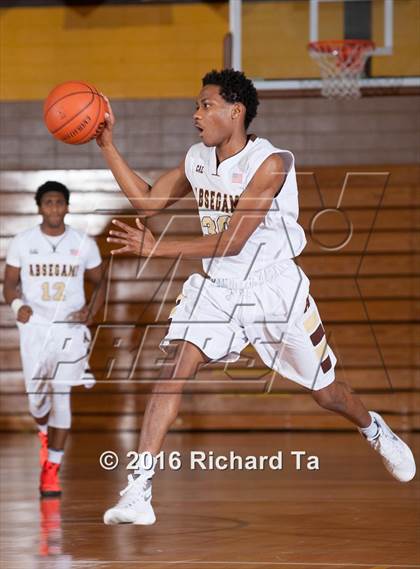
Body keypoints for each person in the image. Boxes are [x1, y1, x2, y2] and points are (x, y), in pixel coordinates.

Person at [97, 69, 416, 525]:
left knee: (327, 394)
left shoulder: (270, 164)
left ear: (236, 111)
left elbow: (233, 241)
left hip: (274, 289)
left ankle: (374, 429)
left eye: (205, 105)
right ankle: (138, 490)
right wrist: (106, 144)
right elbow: (148, 203)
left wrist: (156, 248)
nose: (196, 114)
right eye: (196, 106)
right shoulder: (197, 159)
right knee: (171, 374)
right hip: (217, 288)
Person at [4, 181, 105, 498]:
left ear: (67, 206)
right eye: (48, 202)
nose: (54, 208)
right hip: (35, 326)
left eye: (59, 202)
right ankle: (44, 432)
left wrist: (91, 311)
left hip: (68, 329)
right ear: (39, 207)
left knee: (62, 396)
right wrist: (17, 306)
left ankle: (51, 470)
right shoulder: (22, 242)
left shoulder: (83, 242)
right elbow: (9, 284)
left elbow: (100, 282)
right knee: (37, 403)